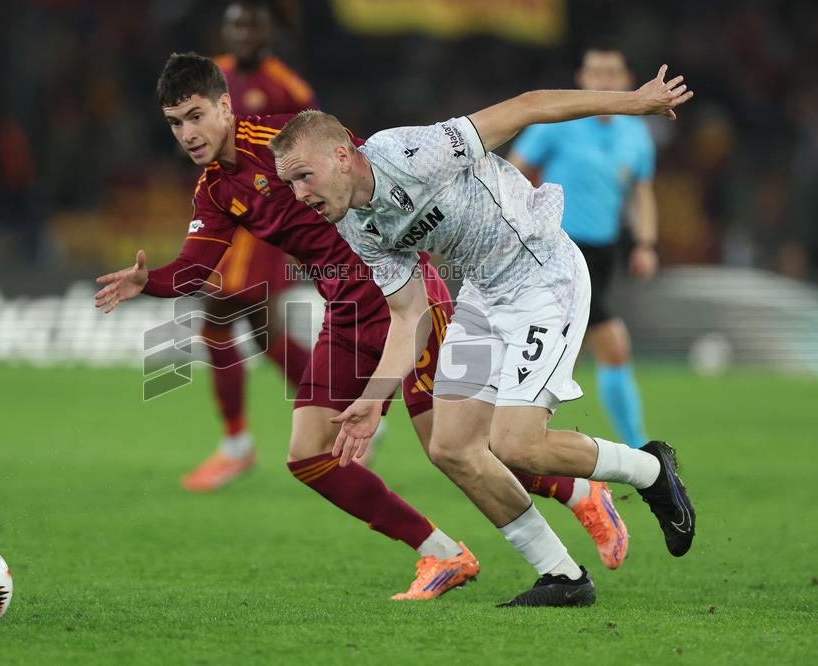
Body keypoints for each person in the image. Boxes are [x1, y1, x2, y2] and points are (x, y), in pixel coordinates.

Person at [95, 52, 626, 602]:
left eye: (196, 115)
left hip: (405, 303)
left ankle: (578, 492)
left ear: (225, 107)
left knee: (454, 449)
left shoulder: (286, 139)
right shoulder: (214, 189)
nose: (188, 132)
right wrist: (148, 281)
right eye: (176, 123)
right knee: (307, 455)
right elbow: (194, 270)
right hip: (345, 313)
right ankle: (442, 553)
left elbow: (367, 175)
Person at [270, 64, 696, 606]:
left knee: (516, 443)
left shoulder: (415, 153)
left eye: (302, 176)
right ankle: (562, 578)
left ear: (341, 155)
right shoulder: (356, 226)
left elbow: (528, 105)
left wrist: (631, 102)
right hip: (484, 297)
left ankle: (652, 470)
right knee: (452, 447)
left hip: (544, 275)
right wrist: (372, 399)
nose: (297, 192)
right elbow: (407, 315)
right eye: (288, 184)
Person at [182, 0, 318, 492]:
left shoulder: (289, 89)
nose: (241, 31)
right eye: (234, 22)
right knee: (262, 334)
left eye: (251, 23)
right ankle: (341, 407)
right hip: (223, 213)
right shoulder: (209, 77)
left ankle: (237, 446)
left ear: (269, 30)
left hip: (259, 222)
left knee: (216, 316)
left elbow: (305, 159)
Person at [507, 42, 657, 448]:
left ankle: (508, 435)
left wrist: (645, 242)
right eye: (596, 73)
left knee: (562, 352)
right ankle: (642, 452)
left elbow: (641, 191)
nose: (604, 81)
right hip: (560, 251)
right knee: (612, 344)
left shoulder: (637, 134)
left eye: (612, 73)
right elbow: (512, 170)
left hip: (604, 252)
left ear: (626, 80)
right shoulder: (557, 123)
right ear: (581, 80)